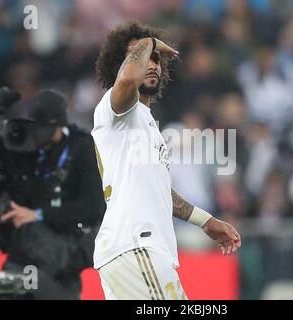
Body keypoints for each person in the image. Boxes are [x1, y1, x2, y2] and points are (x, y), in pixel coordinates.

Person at [93, 22, 242, 300]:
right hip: (136, 245)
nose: (150, 63)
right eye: (138, 55)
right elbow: (126, 81)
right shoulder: (113, 110)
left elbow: (159, 189)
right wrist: (148, 41)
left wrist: (205, 221)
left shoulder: (147, 125)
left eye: (154, 58)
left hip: (133, 251)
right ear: (119, 67)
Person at [0, 90, 105, 299]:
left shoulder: (81, 149)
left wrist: (39, 214)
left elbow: (94, 206)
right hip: (27, 246)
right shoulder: (26, 148)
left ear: (59, 126)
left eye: (44, 128)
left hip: (64, 249)